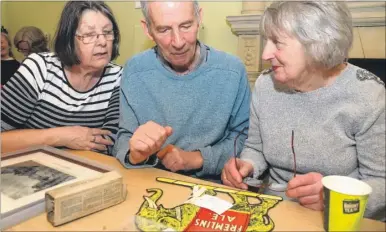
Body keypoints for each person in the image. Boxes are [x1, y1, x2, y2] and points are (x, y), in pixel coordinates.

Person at [221, 1, 385, 221]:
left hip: (336, 219)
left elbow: (381, 182)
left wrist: (333, 198)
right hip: (274, 210)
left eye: (277, 43)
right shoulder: (265, 84)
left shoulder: (368, 94)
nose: (265, 54)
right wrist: (247, 166)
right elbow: (255, 147)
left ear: (317, 44)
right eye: (266, 41)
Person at [113, 1, 250, 181]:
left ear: (199, 18)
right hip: (149, 179)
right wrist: (136, 154)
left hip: (214, 186)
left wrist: (196, 159)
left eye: (186, 26)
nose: (178, 42)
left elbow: (244, 139)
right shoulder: (134, 70)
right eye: (164, 30)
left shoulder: (232, 71)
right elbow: (124, 138)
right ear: (147, 29)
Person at [1, 1, 122, 155]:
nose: (103, 42)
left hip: (84, 171)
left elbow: (109, 143)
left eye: (107, 32)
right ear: (68, 40)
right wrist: (61, 136)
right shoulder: (40, 68)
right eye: (89, 34)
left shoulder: (117, 78)